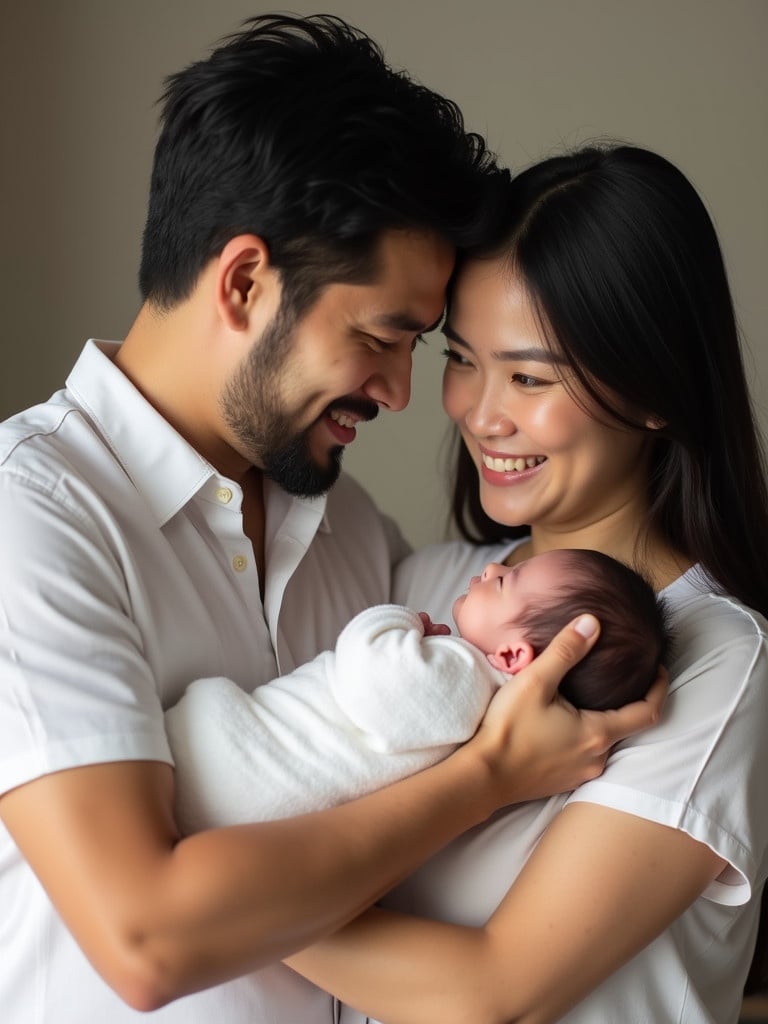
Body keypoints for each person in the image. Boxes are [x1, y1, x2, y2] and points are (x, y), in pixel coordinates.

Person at [0, 17, 663, 1024]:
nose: (403, 393)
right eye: (380, 336)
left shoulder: (346, 524)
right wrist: (487, 777)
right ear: (244, 283)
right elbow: (146, 938)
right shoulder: (35, 515)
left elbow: (532, 597)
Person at [285, 144, 768, 1024]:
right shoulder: (430, 585)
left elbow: (492, 993)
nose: (481, 411)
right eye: (462, 359)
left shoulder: (717, 662)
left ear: (657, 389)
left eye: (530, 376)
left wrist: (207, 893)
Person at [168, 548, 671, 833]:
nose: (493, 569)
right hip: (251, 800)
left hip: (233, 763)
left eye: (506, 582)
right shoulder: (483, 713)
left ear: (514, 657)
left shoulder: (465, 675)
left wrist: (399, 619)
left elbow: (367, 672)